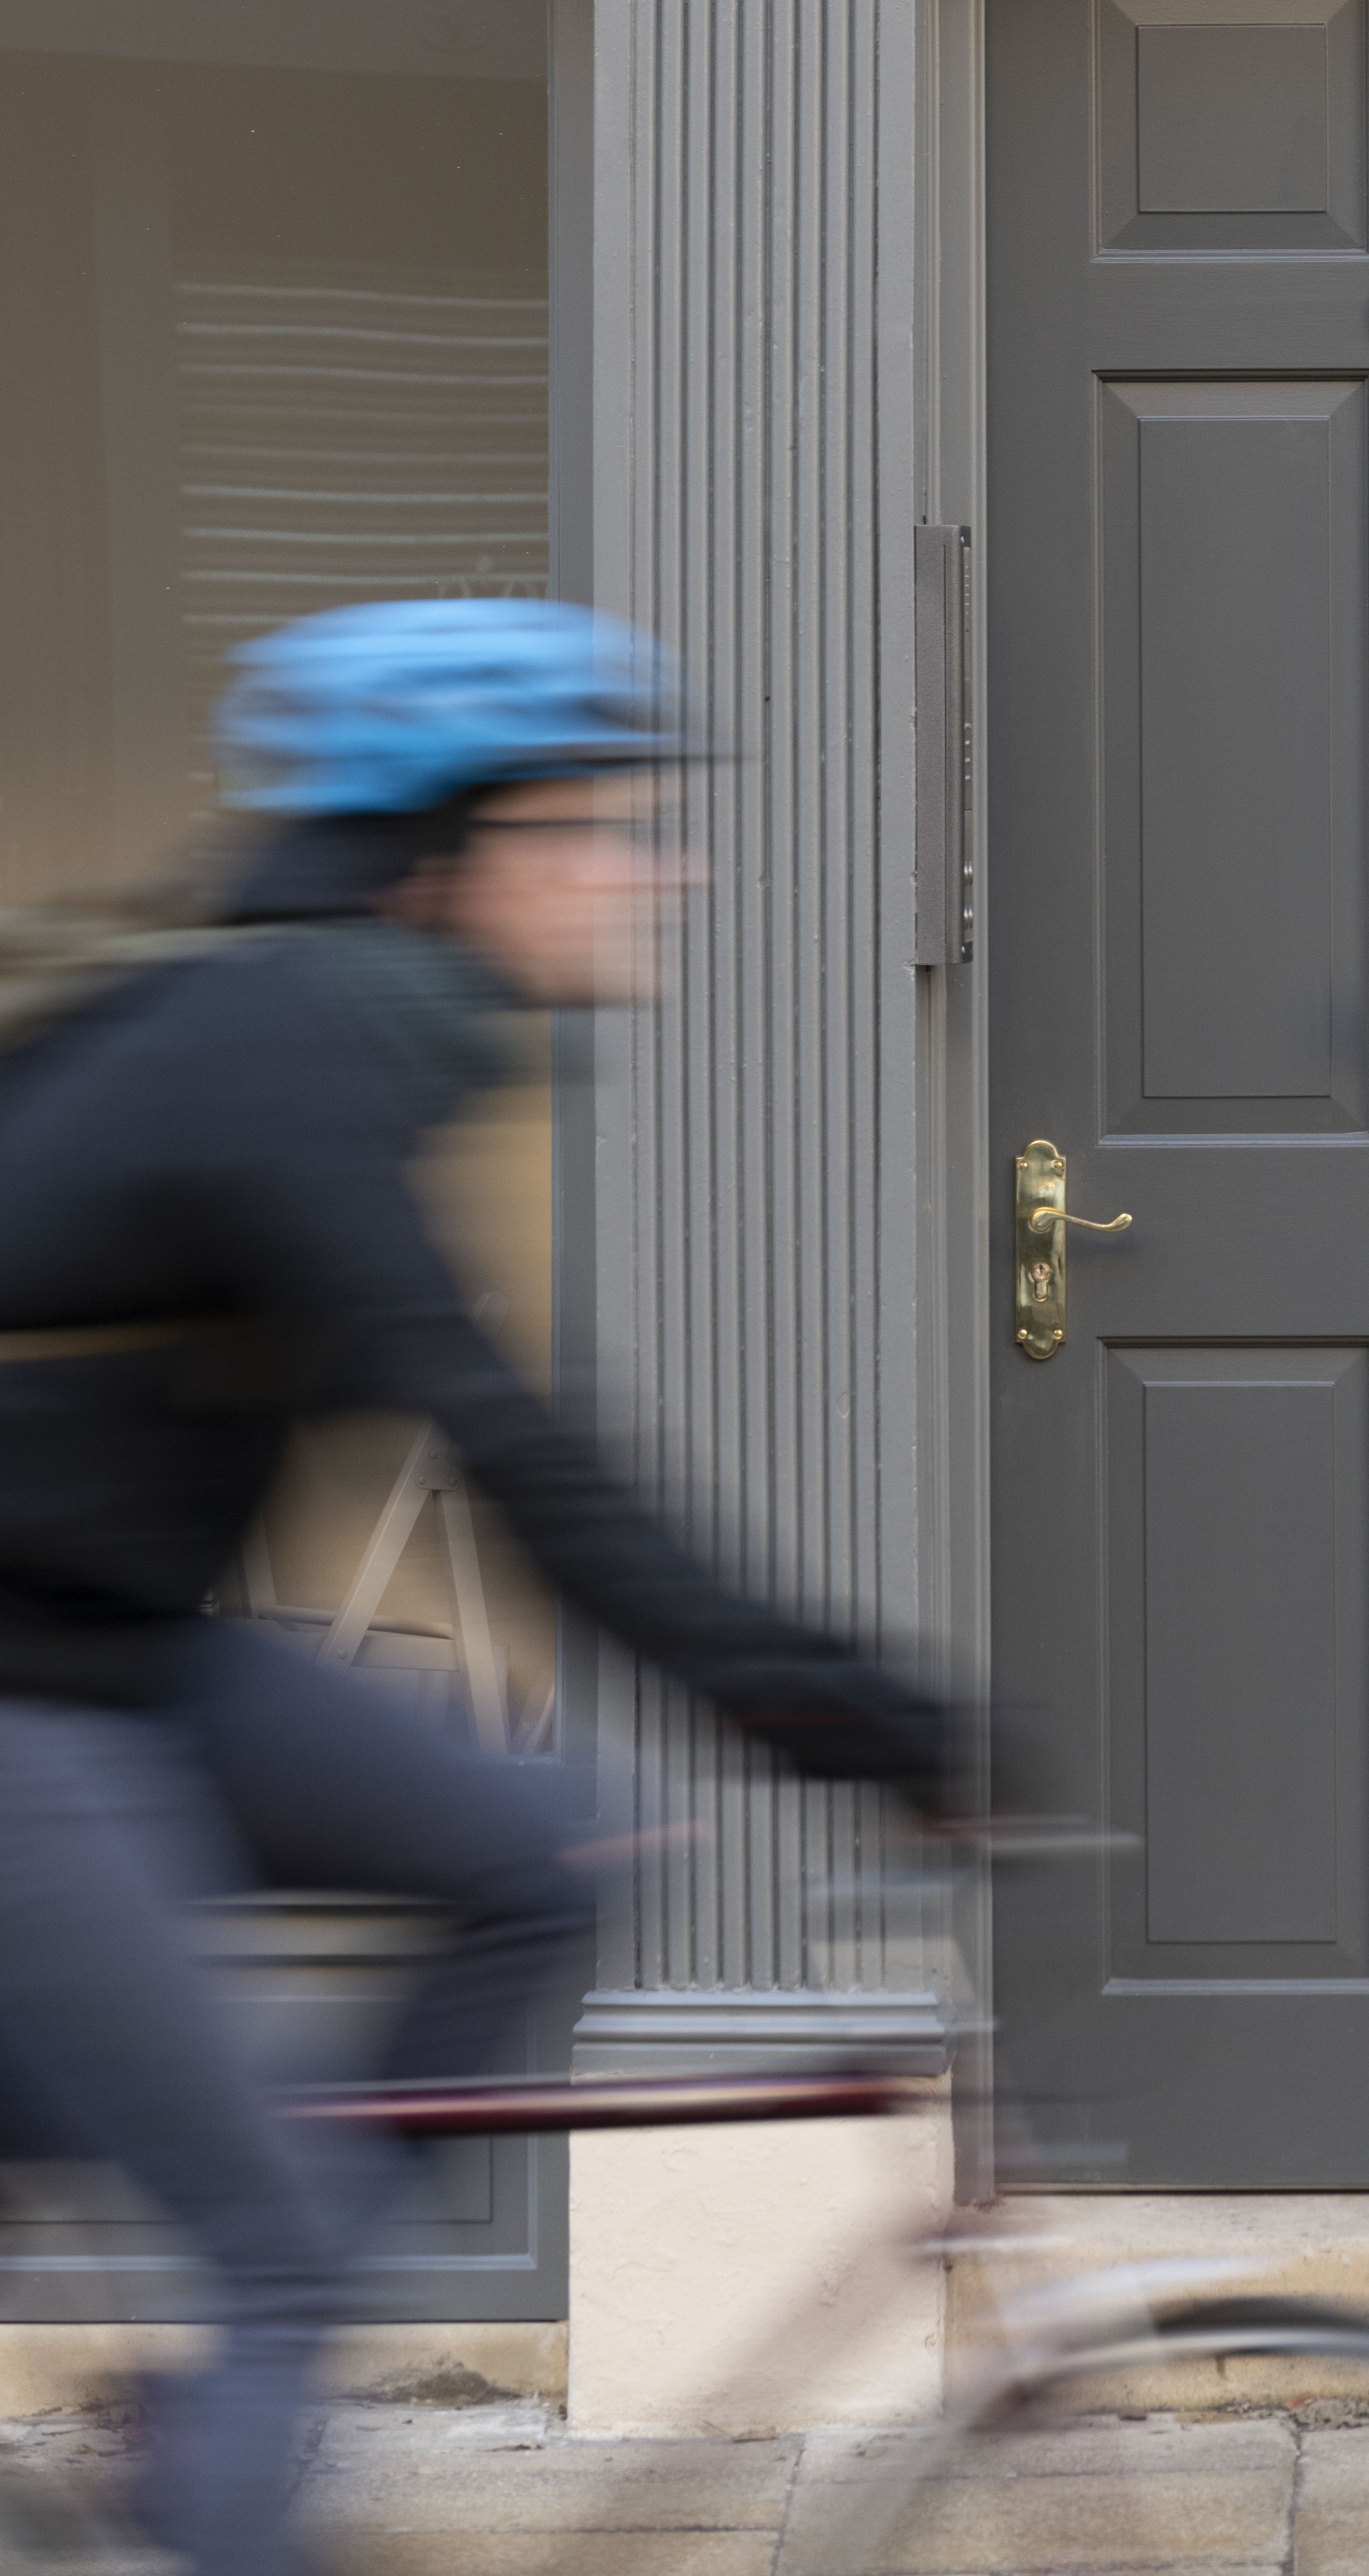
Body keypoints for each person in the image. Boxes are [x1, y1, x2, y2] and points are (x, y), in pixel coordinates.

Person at [0, 602, 958, 2576]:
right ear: (445, 856)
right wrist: (852, 1718)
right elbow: (525, 1465)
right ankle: (240, 2388)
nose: (664, 867)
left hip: (117, 1656)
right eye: (603, 824)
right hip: (26, 1696)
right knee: (273, 2246)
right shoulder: (270, 1055)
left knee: (552, 1842)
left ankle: (218, 2326)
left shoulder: (339, 1038)